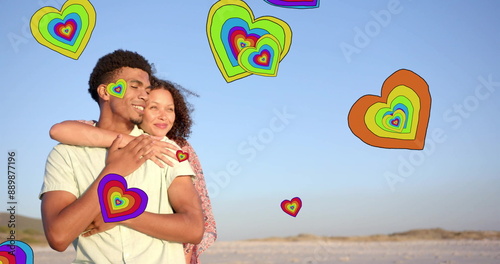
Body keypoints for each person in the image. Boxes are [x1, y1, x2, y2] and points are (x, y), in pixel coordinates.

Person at [40, 50, 204, 263]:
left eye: (147, 89)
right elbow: (58, 237)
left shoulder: (164, 149)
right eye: (134, 86)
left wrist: (123, 214)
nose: (144, 95)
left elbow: (193, 228)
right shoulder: (65, 154)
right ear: (106, 92)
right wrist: (113, 172)